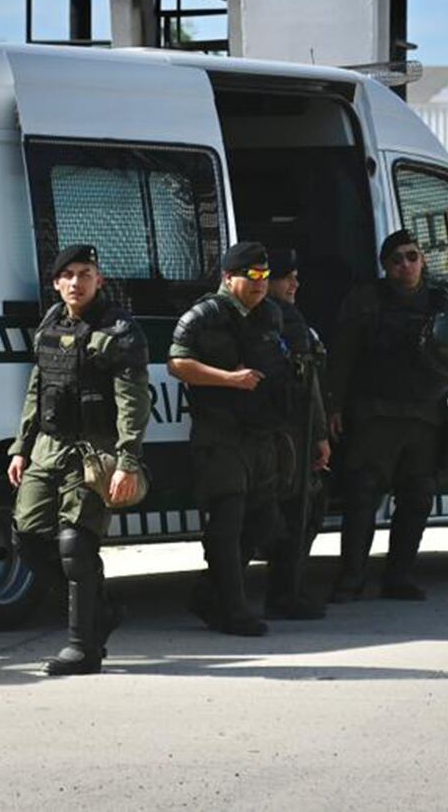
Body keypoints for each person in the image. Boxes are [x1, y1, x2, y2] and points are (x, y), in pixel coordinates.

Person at [8, 243, 150, 676]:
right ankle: (100, 611)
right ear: (55, 283)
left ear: (99, 279)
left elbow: (133, 401)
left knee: (76, 545)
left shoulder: (120, 331)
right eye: (67, 275)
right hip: (48, 448)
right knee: (28, 537)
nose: (76, 282)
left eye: (85, 273)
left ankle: (83, 648)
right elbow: (38, 389)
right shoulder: (51, 323)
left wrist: (127, 461)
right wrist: (20, 447)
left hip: (95, 449)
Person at [327, 228, 448, 602]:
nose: (405, 265)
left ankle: (399, 576)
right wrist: (334, 406)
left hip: (424, 417)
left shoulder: (440, 301)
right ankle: (352, 577)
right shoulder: (366, 300)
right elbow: (342, 355)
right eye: (396, 260)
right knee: (362, 496)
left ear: (422, 260)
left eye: (412, 256)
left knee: (419, 496)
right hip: (376, 414)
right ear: (385, 267)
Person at [168, 240, 290, 637]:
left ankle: (208, 593)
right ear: (228, 277)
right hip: (219, 433)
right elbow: (177, 364)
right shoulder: (204, 315)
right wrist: (229, 380)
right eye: (251, 276)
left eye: (264, 276)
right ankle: (234, 612)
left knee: (265, 522)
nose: (259, 284)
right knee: (227, 521)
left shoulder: (271, 315)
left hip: (259, 434)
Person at [261, 248, 332, 620]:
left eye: (295, 276)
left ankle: (285, 589)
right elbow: (310, 389)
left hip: (279, 433)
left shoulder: (270, 317)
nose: (294, 284)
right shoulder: (283, 320)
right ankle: (286, 592)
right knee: (300, 510)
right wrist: (320, 435)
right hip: (291, 434)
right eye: (285, 277)